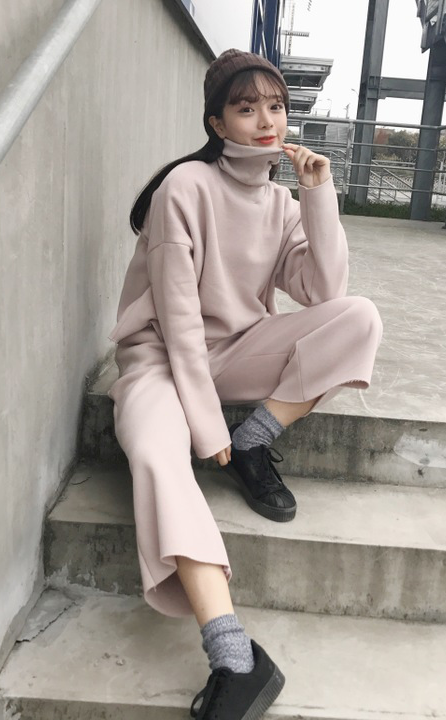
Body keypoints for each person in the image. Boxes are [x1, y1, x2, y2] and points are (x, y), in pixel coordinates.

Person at [107, 48, 383, 720]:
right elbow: (177, 319)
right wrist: (205, 426)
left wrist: (318, 197)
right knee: (155, 453)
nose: (266, 120)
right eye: (246, 107)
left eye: (276, 106)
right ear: (217, 122)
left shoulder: (282, 201)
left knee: (359, 318)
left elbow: (324, 291)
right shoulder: (185, 188)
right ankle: (234, 657)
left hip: (237, 352)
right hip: (160, 359)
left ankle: (254, 440)